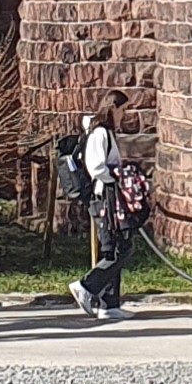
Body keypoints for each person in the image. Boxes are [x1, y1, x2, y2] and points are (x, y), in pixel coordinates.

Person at [69, 92, 132, 320]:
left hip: (109, 197)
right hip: (103, 197)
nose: (123, 115)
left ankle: (109, 304)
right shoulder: (100, 134)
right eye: (122, 110)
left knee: (115, 245)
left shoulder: (107, 133)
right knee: (119, 248)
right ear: (113, 108)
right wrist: (115, 177)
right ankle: (86, 286)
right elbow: (96, 167)